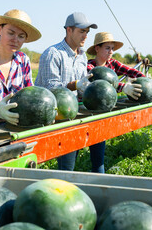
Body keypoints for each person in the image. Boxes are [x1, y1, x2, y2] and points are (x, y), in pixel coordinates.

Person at [35, 12, 106, 173]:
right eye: (82, 31)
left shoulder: (82, 56)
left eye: (87, 32)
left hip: (73, 112)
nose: (86, 36)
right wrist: (76, 85)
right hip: (56, 116)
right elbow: (50, 89)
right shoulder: (53, 53)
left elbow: (82, 88)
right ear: (69, 30)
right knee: (67, 168)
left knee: (80, 155)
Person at [86, 31, 146, 100]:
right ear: (97, 49)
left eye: (112, 48)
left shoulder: (112, 63)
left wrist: (147, 80)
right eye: (107, 48)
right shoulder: (90, 67)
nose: (111, 52)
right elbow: (102, 82)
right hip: (95, 101)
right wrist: (123, 87)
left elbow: (131, 71)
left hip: (110, 100)